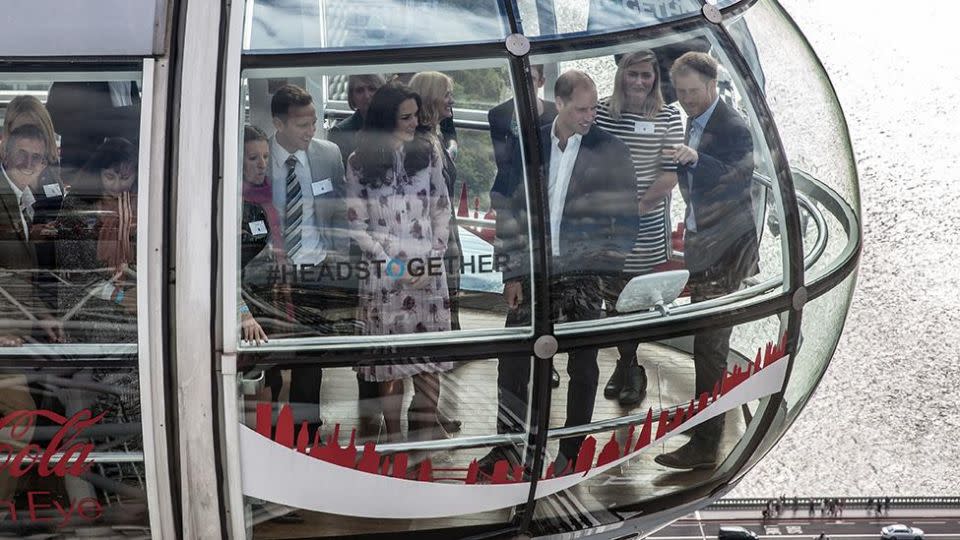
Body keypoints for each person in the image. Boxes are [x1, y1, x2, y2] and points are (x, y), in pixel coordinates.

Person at [483, 70, 637, 473]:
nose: (590, 116)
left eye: (593, 108)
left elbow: (627, 220)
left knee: (582, 366)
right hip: (533, 272)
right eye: (582, 109)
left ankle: (570, 453)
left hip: (584, 276)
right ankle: (508, 445)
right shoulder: (529, 140)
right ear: (561, 103)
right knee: (513, 361)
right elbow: (509, 209)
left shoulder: (611, 149)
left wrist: (605, 274)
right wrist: (511, 274)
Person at [653, 51, 758, 471]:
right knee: (706, 345)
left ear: (712, 84)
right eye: (679, 92)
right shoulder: (693, 120)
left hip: (726, 250)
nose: (685, 100)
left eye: (693, 92)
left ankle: (705, 447)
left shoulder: (733, 126)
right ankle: (703, 430)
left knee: (711, 347)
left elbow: (740, 179)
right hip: (705, 244)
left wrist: (697, 160)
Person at [344, 83, 454, 442]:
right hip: (385, 275)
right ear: (385, 118)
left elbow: (442, 208)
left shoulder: (429, 151)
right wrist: (393, 267)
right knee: (390, 364)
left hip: (427, 272)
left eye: (415, 116)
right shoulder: (359, 161)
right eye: (405, 117)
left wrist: (433, 260)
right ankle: (393, 442)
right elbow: (356, 225)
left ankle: (423, 439)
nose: (413, 123)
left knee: (428, 362)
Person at [596, 50, 684, 407]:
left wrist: (638, 207)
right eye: (633, 74)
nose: (639, 82)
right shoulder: (602, 111)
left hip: (644, 227)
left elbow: (672, 173)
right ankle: (627, 365)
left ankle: (631, 369)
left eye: (646, 75)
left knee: (632, 299)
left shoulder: (666, 116)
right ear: (621, 74)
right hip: (604, 226)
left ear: (655, 78)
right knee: (611, 297)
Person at [266, 84, 352, 435]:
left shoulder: (328, 154)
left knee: (311, 355)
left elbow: (339, 209)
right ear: (278, 123)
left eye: (314, 122)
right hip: (270, 274)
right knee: (270, 356)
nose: (311, 131)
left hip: (316, 268)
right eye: (302, 125)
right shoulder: (255, 157)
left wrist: (338, 254)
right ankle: (268, 427)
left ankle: (306, 429)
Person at [488, 64, 561, 389]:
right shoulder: (499, 115)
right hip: (512, 202)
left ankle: (546, 362)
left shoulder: (554, 118)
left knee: (549, 304)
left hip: (542, 211)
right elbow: (502, 164)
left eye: (529, 78)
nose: (522, 83)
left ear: (541, 81)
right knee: (522, 309)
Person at [408, 71, 466, 433]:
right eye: (447, 95)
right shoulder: (420, 144)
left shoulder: (436, 137)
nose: (452, 101)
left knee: (439, 327)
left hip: (443, 236)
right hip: (431, 243)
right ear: (430, 98)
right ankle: (423, 413)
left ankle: (427, 407)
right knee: (428, 328)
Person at [56, 138, 138, 343]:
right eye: (109, 177)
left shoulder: (144, 204)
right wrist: (119, 297)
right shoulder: (76, 206)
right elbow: (75, 273)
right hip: (84, 300)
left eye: (126, 177)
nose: (118, 186)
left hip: (134, 295)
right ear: (97, 173)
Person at [0, 124, 65, 345]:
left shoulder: (24, 199)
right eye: (22, 155)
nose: (29, 164)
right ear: (5, 156)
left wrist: (43, 315)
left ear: (43, 165)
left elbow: (18, 273)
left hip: (19, 330)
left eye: (36, 158)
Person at [46, 80, 141, 181]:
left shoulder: (127, 71)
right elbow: (55, 119)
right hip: (81, 172)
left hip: (124, 170)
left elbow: (137, 119)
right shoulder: (76, 71)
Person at [329, 74, 386, 167]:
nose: (367, 96)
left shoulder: (396, 125)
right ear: (352, 97)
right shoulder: (340, 132)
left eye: (372, 89)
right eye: (359, 90)